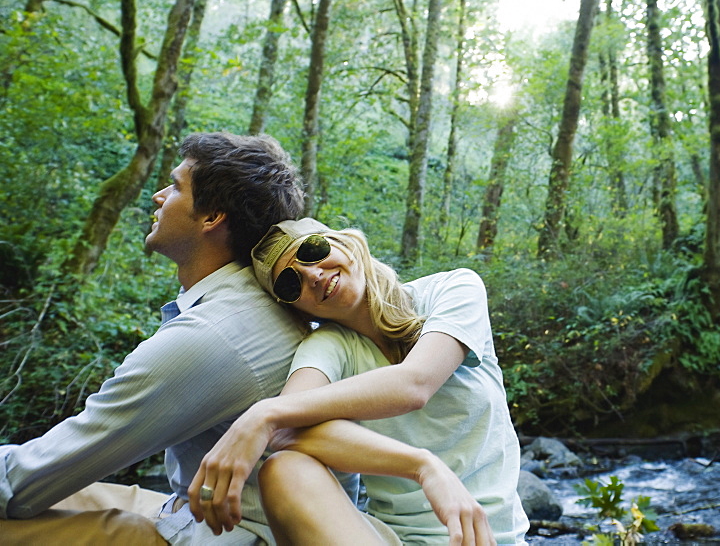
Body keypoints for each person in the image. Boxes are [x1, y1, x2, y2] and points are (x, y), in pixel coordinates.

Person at [0, 132, 307, 545]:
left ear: (211, 217)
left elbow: (36, 477)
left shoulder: (212, 334)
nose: (159, 197)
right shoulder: (250, 302)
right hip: (191, 509)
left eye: (176, 187)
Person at [189, 218, 529, 545]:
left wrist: (263, 413)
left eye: (312, 251)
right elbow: (285, 432)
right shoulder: (328, 346)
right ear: (297, 309)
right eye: (291, 284)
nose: (312, 274)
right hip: (390, 539)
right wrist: (422, 466)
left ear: (347, 243)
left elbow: (415, 384)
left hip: (489, 540)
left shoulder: (452, 290)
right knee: (284, 468)